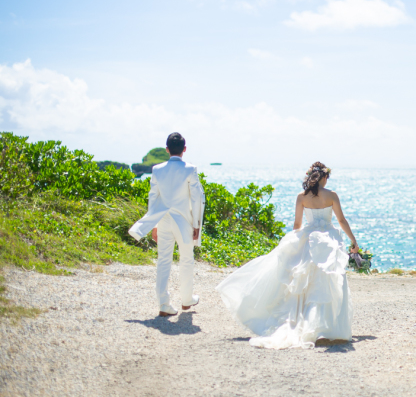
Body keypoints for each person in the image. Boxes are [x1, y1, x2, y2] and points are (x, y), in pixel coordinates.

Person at [216, 162, 357, 349]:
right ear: (324, 177)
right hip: (328, 241)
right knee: (325, 283)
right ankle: (323, 326)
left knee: (304, 286)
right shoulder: (332, 195)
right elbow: (341, 220)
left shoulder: (301, 197)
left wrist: (296, 242)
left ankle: (303, 323)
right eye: (327, 177)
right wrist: (354, 241)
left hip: (308, 238)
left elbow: (297, 224)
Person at [128, 132, 205, 317]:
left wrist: (153, 224)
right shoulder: (190, 169)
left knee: (163, 261)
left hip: (163, 220)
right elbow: (196, 198)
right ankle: (187, 299)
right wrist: (197, 225)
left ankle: (164, 304)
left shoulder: (157, 170)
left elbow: (153, 198)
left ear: (167, 149)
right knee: (186, 259)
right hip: (183, 221)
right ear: (184, 149)